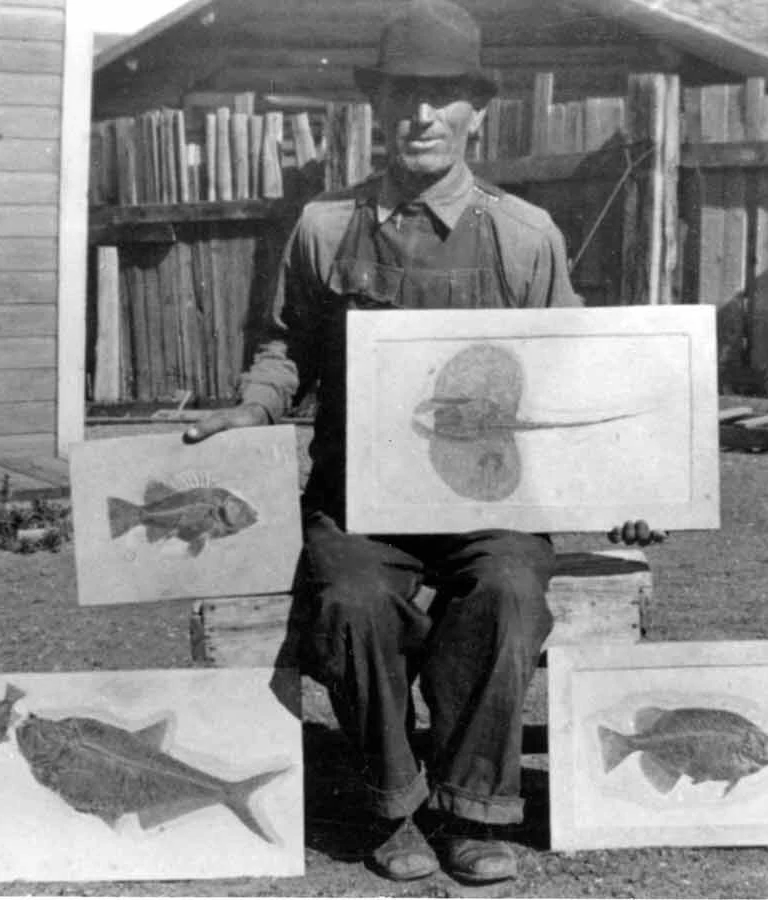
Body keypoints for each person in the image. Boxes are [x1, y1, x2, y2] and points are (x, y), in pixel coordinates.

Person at [185, 0, 664, 884]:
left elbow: (582, 374)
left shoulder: (524, 236)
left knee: (512, 590)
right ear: (377, 106)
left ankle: (471, 807)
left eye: (443, 97)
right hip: (359, 504)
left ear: (475, 111)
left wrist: (635, 486)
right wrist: (253, 410)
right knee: (351, 602)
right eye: (405, 94)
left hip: (495, 499)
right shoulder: (323, 229)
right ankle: (396, 804)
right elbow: (287, 344)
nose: (422, 115)